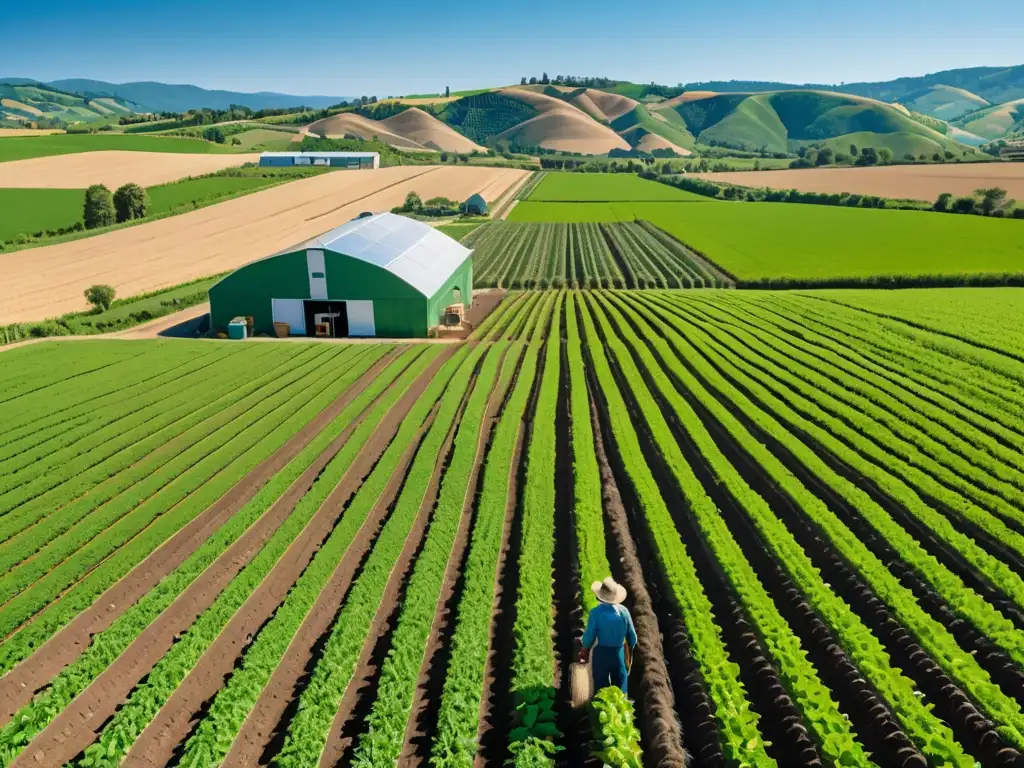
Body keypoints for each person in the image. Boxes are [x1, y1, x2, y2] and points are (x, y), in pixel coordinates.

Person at [578, 577, 637, 694]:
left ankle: (602, 710)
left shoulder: (596, 613)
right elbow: (633, 638)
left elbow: (589, 637)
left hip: (601, 655)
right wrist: (628, 654)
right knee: (620, 693)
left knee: (602, 691)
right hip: (619, 654)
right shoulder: (624, 612)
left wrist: (584, 651)